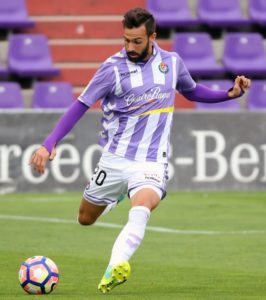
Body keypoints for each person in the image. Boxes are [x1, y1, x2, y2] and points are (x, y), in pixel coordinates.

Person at [29, 7, 251, 294]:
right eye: (126, 40)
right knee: (85, 218)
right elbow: (80, 105)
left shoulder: (171, 63)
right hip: (115, 158)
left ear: (152, 37)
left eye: (137, 41)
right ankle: (120, 193)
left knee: (143, 205)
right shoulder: (111, 68)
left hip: (152, 160)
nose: (130, 47)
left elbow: (192, 89)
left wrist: (229, 94)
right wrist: (49, 143)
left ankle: (116, 265)